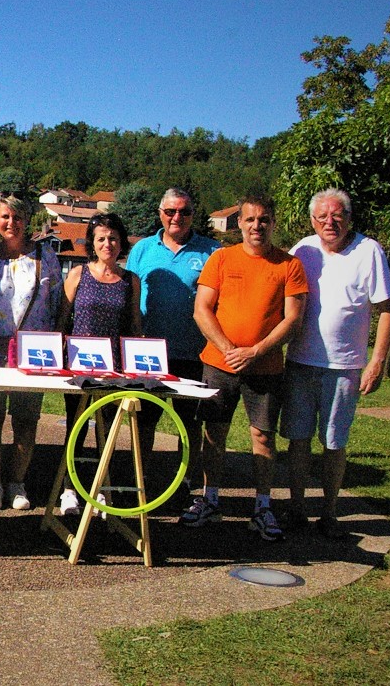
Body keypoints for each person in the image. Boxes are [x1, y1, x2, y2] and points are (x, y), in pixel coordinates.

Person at [185, 194, 308, 541]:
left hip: (265, 368)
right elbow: (202, 309)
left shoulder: (289, 265)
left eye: (264, 219)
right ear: (239, 222)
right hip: (218, 364)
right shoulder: (221, 259)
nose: (257, 226)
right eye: (251, 219)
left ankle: (263, 508)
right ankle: (210, 500)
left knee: (262, 437)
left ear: (273, 223)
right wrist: (228, 349)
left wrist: (255, 351)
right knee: (214, 434)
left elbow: (293, 319)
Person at [280, 188, 390, 538]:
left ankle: (329, 513)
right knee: (298, 441)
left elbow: (387, 310)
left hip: (344, 368)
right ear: (312, 220)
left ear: (348, 217)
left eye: (336, 215)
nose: (329, 222)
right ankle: (297, 510)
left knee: (334, 443)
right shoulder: (303, 250)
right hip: (300, 362)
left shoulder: (368, 251)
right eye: (321, 217)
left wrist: (377, 362)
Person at [125, 188, 221, 499]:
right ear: (160, 213)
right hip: (148, 355)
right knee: (142, 423)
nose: (176, 217)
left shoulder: (212, 251)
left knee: (190, 426)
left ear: (193, 214)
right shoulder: (142, 249)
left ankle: (185, 484)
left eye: (184, 212)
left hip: (193, 352)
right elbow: (128, 294)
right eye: (170, 212)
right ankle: (140, 481)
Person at [0, 194, 62, 510]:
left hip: (31, 352)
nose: (11, 223)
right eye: (5, 217)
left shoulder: (46, 255)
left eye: (17, 217)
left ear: (27, 220)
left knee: (25, 420)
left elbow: (56, 304)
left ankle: (17, 484)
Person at [58, 212, 142, 515]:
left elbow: (134, 325)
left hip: (114, 368)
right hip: (78, 366)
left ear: (121, 242)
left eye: (113, 238)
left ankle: (102, 489)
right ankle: (69, 489)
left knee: (106, 430)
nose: (108, 243)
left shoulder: (131, 280)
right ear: (93, 243)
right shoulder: (78, 274)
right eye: (102, 238)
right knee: (75, 428)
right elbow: (62, 319)